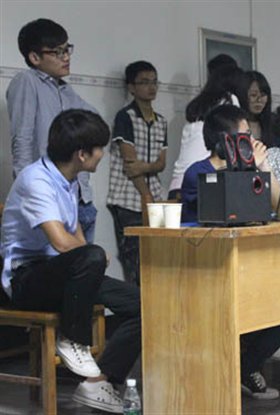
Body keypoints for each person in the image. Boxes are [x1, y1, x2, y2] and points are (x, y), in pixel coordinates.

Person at [0, 109, 141, 413]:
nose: (102, 154)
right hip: (26, 280)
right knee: (91, 254)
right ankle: (73, 340)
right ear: (81, 154)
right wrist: (92, 256)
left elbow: (73, 232)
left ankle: (97, 383)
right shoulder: (36, 180)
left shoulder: (70, 179)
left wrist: (91, 258)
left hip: (64, 275)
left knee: (143, 304)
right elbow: (62, 242)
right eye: (99, 148)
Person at [180, 105, 280, 399]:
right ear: (226, 139)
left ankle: (247, 362)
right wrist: (247, 168)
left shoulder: (251, 168)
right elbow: (227, 207)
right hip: (208, 268)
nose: (253, 141)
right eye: (246, 135)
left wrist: (264, 167)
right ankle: (246, 359)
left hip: (247, 263)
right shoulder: (198, 173)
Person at [6, 18, 99, 243]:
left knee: (90, 263)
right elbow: (22, 140)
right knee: (61, 261)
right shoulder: (27, 81)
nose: (66, 57)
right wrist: (34, 195)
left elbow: (96, 125)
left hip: (79, 198)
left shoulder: (65, 90)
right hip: (50, 200)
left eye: (67, 49)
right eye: (57, 52)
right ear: (34, 57)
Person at [106, 61, 167, 285]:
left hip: (156, 196)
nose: (151, 87)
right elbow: (130, 163)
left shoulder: (161, 121)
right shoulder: (125, 116)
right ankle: (137, 304)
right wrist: (145, 194)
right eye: (144, 82)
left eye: (154, 82)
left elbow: (161, 163)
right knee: (134, 258)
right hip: (129, 198)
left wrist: (146, 167)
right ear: (131, 87)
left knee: (160, 253)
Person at [168, 66, 244, 199]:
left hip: (177, 182)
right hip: (203, 180)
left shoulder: (198, 104)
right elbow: (237, 130)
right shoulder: (230, 100)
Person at [237, 71, 274, 147]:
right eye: (253, 95)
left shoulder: (273, 124)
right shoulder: (236, 124)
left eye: (263, 95)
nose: (259, 100)